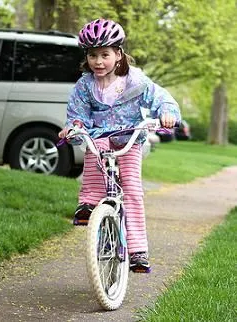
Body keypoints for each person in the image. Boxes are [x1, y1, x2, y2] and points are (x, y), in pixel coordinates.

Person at [59, 18, 181, 273]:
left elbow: (162, 99)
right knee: (96, 149)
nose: (98, 62)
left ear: (118, 54)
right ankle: (89, 203)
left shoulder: (136, 81)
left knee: (133, 191)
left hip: (129, 138)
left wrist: (168, 113)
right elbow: (77, 113)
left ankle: (137, 251)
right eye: (93, 55)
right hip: (100, 135)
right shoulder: (85, 85)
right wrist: (74, 126)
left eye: (105, 54)